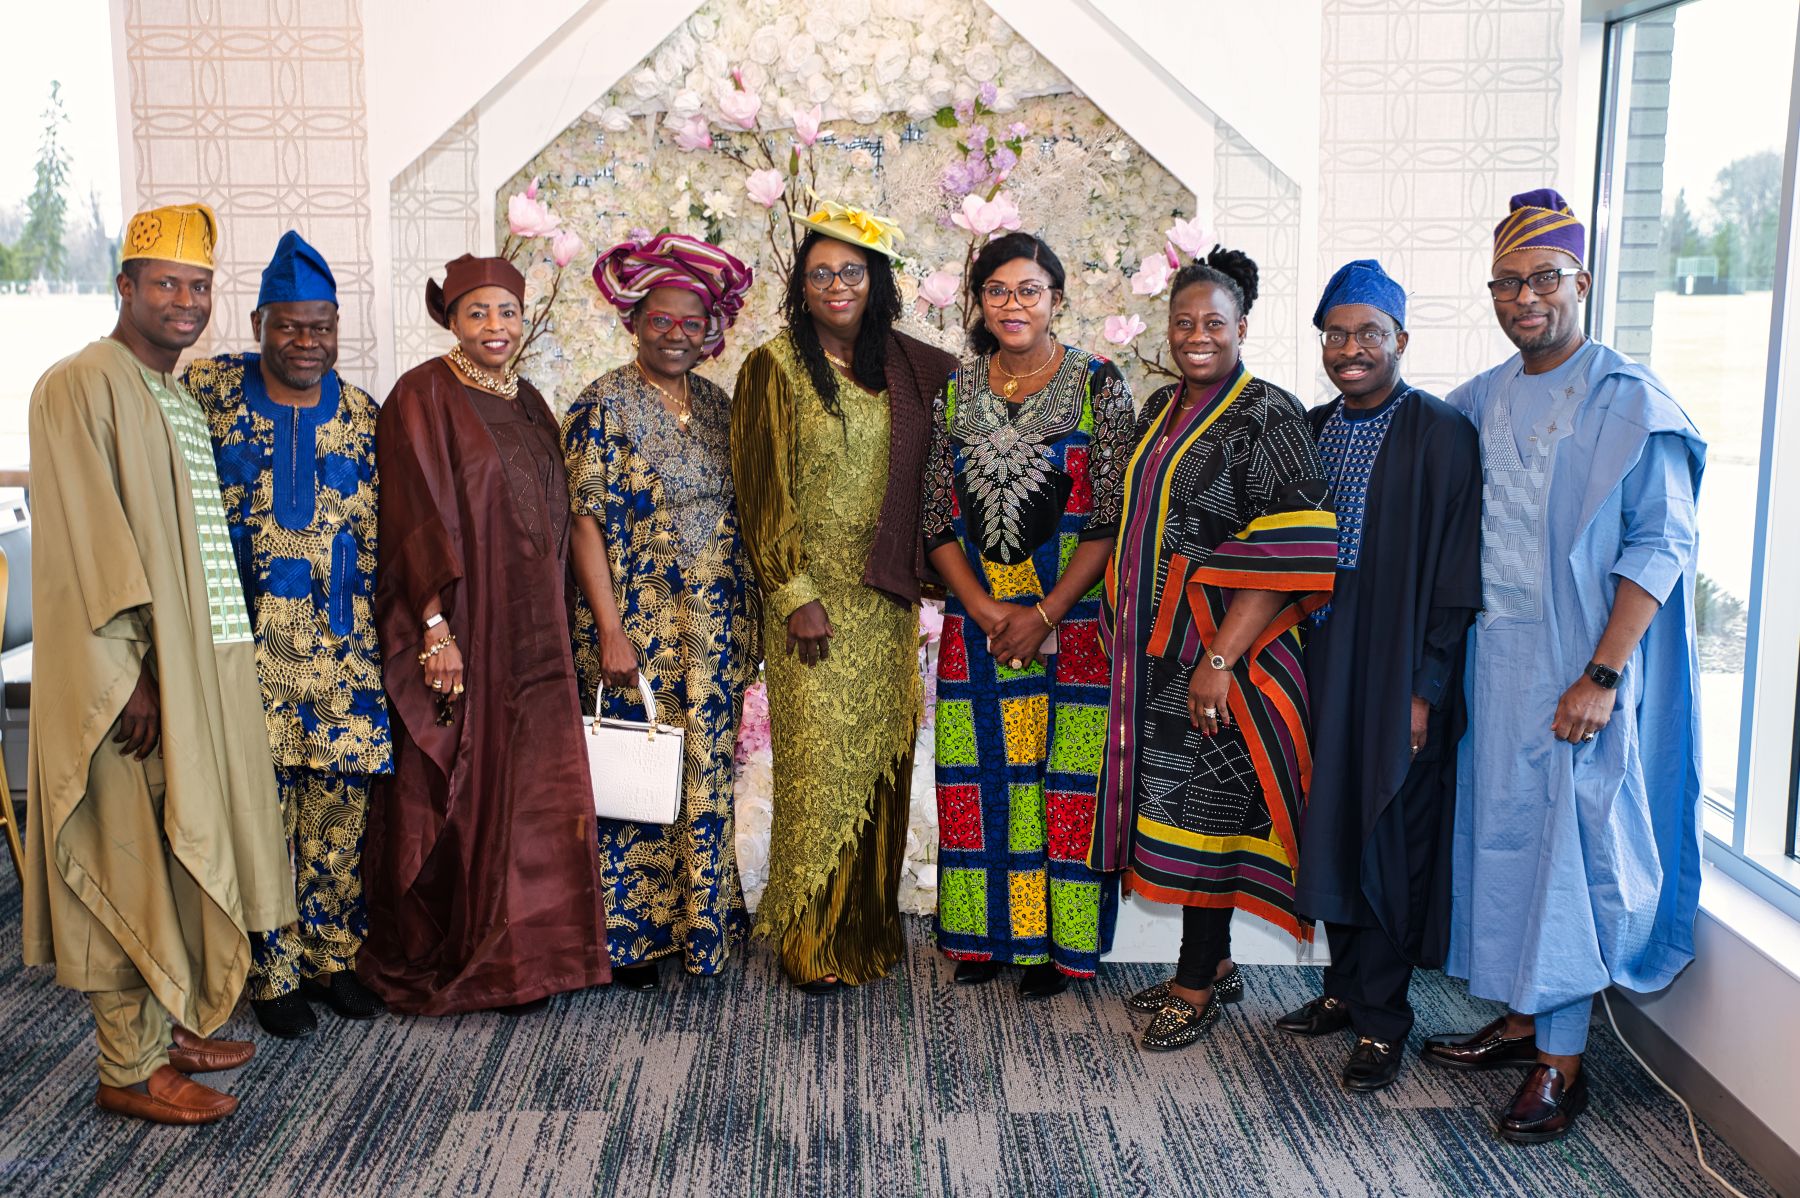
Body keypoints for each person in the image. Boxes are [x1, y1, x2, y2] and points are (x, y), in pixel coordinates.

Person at [1425, 190, 1706, 1144]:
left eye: (1543, 278)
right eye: (1506, 282)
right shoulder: (1485, 396)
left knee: (1570, 856)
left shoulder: (1628, 400)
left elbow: (1661, 545)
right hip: (1496, 666)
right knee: (1504, 843)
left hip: (1580, 670)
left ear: (1581, 281)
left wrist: (1604, 674)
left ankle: (1563, 1063)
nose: (1524, 298)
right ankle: (1520, 1021)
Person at [22, 203, 295, 1124]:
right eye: (167, 283)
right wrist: (132, 676)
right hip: (123, 676)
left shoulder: (170, 392)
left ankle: (168, 1024)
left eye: (200, 286)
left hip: (187, 665)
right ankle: (127, 1068)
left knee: (176, 837)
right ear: (125, 287)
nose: (187, 301)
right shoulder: (80, 384)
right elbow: (88, 544)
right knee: (124, 852)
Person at [1090, 246, 1337, 1052]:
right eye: (1184, 322)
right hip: (1158, 660)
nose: (1198, 335)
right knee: (1183, 806)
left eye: (1214, 323)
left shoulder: (1270, 415)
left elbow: (1294, 543)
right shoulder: (1161, 409)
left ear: (1243, 327)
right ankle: (1216, 961)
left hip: (1227, 660)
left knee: (1209, 812)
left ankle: (1196, 985)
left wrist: (1220, 659)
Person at [357, 254, 610, 1015]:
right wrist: (434, 627)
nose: (495, 327)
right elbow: (411, 517)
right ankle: (478, 951)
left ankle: (531, 955)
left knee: (533, 786)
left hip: (535, 629)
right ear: (451, 319)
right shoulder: (422, 394)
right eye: (477, 313)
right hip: (467, 627)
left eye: (507, 311)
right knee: (470, 783)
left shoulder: (530, 400)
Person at [730, 200, 956, 993]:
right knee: (820, 772)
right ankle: (811, 943)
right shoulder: (774, 366)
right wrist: (794, 593)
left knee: (883, 765)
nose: (836, 285)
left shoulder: (906, 369)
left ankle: (866, 933)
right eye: (820, 272)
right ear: (801, 285)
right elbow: (762, 492)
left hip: (886, 599)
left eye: (851, 271)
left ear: (875, 281)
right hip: (812, 604)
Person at [1273, 260, 1481, 1091]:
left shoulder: (1440, 432)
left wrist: (1425, 689)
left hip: (1397, 662)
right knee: (1329, 819)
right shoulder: (1312, 427)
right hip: (1321, 655)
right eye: (1336, 333)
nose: (1350, 349)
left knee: (1390, 828)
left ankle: (1384, 1020)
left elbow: (1456, 576)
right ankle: (1344, 989)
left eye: (1369, 333)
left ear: (1401, 340)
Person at [182, 231, 390, 1039]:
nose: (307, 342)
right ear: (259, 325)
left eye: (321, 327)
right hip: (247, 658)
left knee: (338, 821)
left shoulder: (364, 416)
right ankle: (272, 974)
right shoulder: (211, 397)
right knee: (259, 824)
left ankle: (332, 959)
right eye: (290, 326)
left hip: (343, 659)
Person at [922, 232, 1130, 998]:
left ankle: (1055, 950)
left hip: (1073, 624)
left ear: (1057, 299)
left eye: (1029, 290)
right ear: (979, 302)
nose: (1013, 304)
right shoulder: (954, 393)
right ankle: (982, 938)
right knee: (977, 776)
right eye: (998, 290)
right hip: (977, 624)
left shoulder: (1100, 386)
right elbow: (933, 517)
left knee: (1064, 782)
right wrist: (983, 609)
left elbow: (1112, 517)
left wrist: (1045, 611)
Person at [566, 232, 758, 991]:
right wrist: (611, 630)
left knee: (704, 771)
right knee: (637, 773)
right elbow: (583, 522)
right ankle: (631, 938)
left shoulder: (717, 405)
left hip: (713, 626)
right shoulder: (600, 406)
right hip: (637, 626)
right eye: (661, 321)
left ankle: (700, 925)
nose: (676, 334)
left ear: (710, 332)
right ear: (634, 324)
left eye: (691, 323)